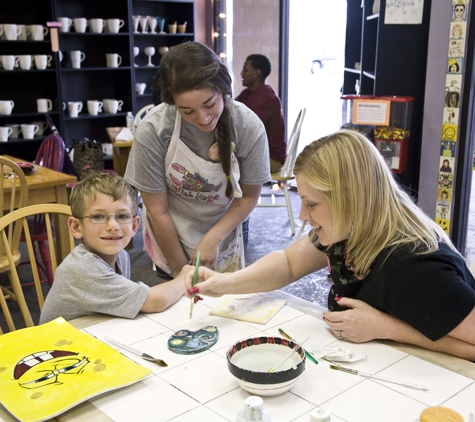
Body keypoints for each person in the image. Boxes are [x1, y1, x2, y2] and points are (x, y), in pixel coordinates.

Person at [185, 130, 475, 360]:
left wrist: (386, 327)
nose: (302, 215)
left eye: (311, 204)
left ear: (352, 201)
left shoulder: (414, 265)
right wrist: (225, 282)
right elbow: (288, 264)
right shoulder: (351, 229)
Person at [124, 42, 269, 281]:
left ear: (223, 88)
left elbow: (250, 196)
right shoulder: (154, 129)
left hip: (227, 222)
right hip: (171, 229)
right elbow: (157, 210)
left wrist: (213, 238)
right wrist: (182, 272)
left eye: (209, 104)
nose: (202, 118)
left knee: (224, 307)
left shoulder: (247, 126)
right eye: (187, 111)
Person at [40, 173, 188, 324]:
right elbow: (156, 301)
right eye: (98, 216)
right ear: (77, 227)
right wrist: (185, 276)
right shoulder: (82, 269)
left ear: (134, 225)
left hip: (92, 332)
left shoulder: (122, 255)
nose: (112, 226)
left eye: (123, 216)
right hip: (59, 344)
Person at [235, 54, 286, 174]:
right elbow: (230, 110)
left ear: (256, 73)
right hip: (259, 155)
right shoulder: (248, 93)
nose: (241, 74)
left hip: (271, 159)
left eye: (245, 70)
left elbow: (248, 129)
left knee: (224, 165)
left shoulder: (266, 97)